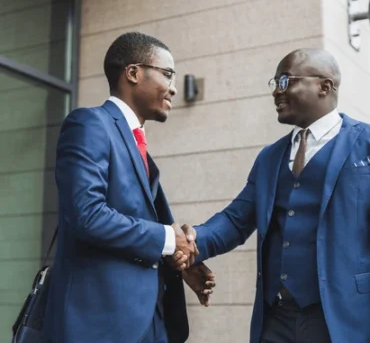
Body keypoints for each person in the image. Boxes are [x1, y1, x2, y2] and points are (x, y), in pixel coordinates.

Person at [43, 32, 215, 343]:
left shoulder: (139, 147)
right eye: (167, 74)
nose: (174, 87)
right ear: (133, 73)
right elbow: (87, 216)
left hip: (151, 322)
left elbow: (147, 224)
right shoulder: (89, 124)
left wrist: (178, 260)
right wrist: (167, 239)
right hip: (98, 326)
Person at [191, 48, 370, 342]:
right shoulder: (270, 157)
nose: (276, 92)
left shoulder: (365, 144)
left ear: (324, 86)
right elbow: (236, 221)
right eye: (274, 83)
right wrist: (189, 243)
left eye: (285, 81)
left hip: (343, 318)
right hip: (276, 319)